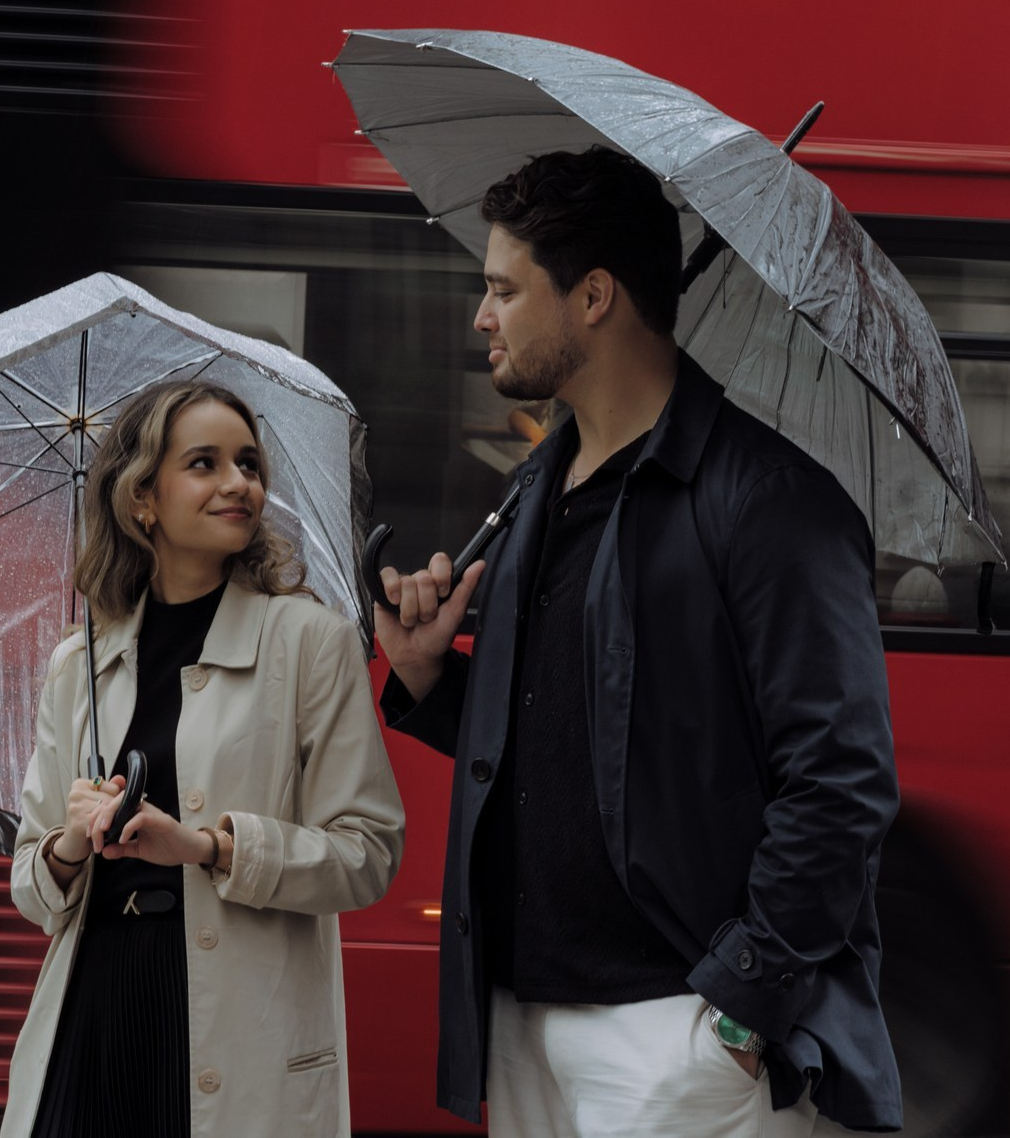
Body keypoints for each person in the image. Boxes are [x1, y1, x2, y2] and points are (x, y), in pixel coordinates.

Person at [377, 147, 901, 1137]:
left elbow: (842, 780)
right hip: (525, 1016)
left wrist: (740, 1008)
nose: (480, 317)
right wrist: (428, 680)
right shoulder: (539, 483)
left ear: (595, 297)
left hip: (676, 1028)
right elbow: (580, 744)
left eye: (502, 288)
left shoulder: (770, 503)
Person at [4, 378, 405, 1138]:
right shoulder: (79, 660)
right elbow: (33, 887)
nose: (238, 483)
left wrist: (211, 846)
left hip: (234, 1031)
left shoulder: (309, 642)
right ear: (142, 497)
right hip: (93, 1013)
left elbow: (368, 852)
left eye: (249, 463)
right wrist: (67, 842)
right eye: (205, 463)